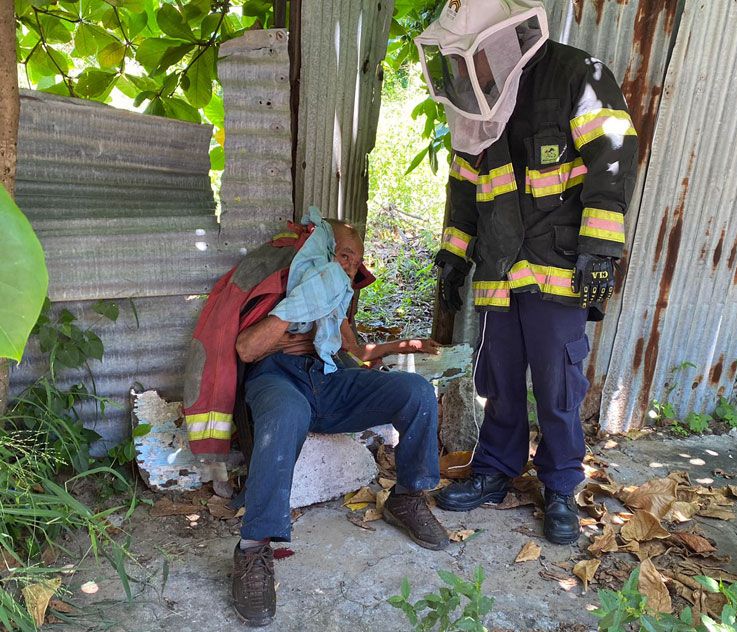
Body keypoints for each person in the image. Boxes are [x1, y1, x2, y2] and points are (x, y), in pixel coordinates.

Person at [414, 0, 638, 545]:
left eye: (473, 56)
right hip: (499, 266)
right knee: (500, 379)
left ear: (502, 40)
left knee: (558, 384)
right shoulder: (476, 103)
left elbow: (615, 157)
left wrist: (599, 248)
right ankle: (495, 468)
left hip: (558, 266)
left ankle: (560, 487)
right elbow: (465, 185)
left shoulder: (575, 75)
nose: (471, 71)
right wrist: (453, 253)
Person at [183, 209, 449, 626]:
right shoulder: (292, 286)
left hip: (327, 378)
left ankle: (409, 498)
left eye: (355, 260)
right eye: (342, 254)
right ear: (320, 249)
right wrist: (300, 309)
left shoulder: (334, 300)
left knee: (415, 392)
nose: (348, 265)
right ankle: (253, 551)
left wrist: (407, 344)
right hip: (278, 380)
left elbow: (356, 351)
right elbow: (249, 349)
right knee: (286, 413)